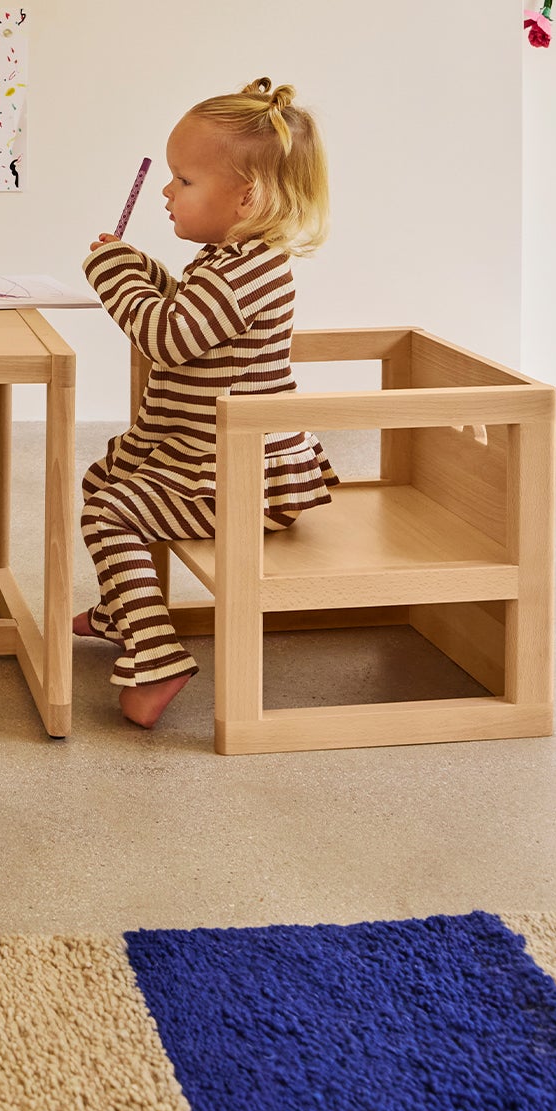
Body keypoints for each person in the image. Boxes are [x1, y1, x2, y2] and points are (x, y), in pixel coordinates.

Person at [75, 77, 337, 728]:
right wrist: (142, 269)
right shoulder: (231, 261)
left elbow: (168, 336)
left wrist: (114, 279)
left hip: (241, 476)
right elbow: (190, 313)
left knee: (110, 511)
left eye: (184, 181)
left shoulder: (246, 269)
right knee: (104, 475)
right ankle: (122, 607)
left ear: (245, 197)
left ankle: (157, 659)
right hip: (217, 457)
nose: (167, 191)